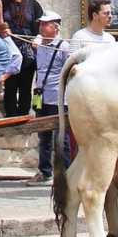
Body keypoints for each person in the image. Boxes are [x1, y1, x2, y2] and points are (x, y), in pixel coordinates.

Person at [26, 12, 71, 185]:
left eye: (46, 24)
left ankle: (66, 174)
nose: (41, 27)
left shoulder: (63, 47)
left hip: (59, 98)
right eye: (41, 24)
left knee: (62, 138)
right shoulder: (40, 45)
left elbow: (71, 70)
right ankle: (45, 172)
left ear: (55, 27)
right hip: (41, 97)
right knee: (43, 136)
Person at [1, 0, 43, 118]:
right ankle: (10, 117)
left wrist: (38, 38)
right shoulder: (2, 4)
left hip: (27, 52)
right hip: (9, 51)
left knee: (26, 87)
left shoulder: (34, 5)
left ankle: (24, 117)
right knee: (10, 87)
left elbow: (40, 28)